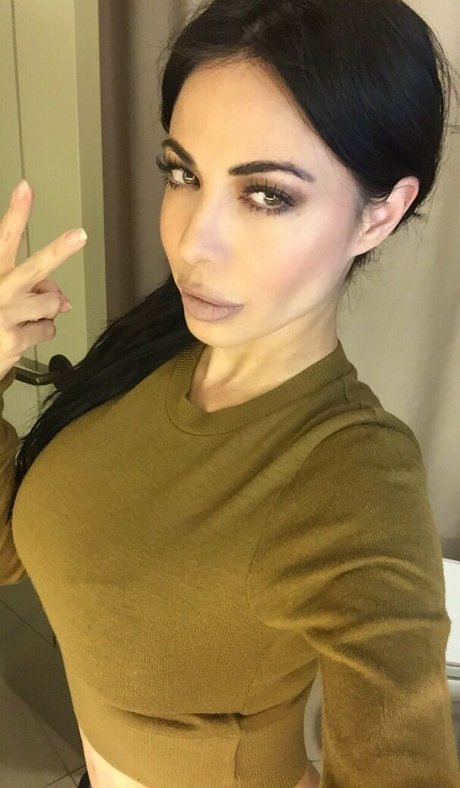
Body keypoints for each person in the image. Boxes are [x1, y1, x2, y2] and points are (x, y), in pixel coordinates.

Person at [0, 0, 459, 786]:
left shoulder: (354, 480)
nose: (191, 242)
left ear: (380, 215)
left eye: (267, 194)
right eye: (183, 174)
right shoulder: (154, 347)